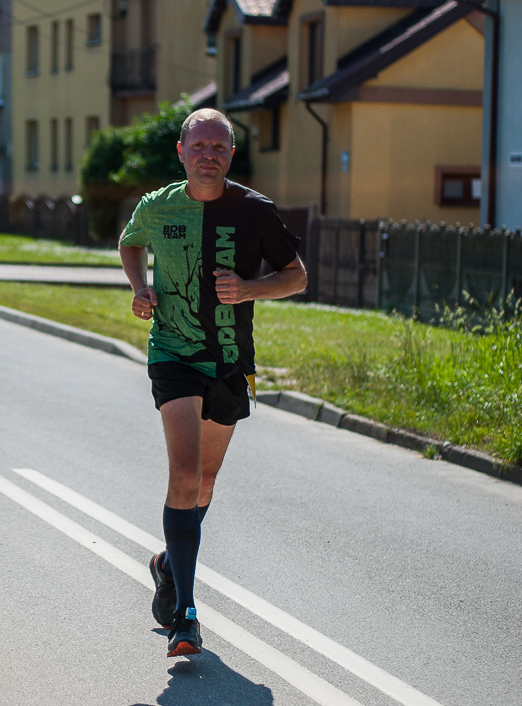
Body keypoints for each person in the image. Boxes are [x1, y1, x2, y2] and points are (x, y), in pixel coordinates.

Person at [118, 109, 307, 658]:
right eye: (198, 145)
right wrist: (140, 286)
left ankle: (167, 564)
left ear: (230, 154)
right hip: (174, 352)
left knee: (204, 480)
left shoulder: (254, 210)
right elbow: (132, 244)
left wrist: (250, 288)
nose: (208, 154)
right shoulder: (158, 206)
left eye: (218, 147)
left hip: (229, 359)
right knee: (182, 473)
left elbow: (295, 277)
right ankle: (186, 617)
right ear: (181, 152)